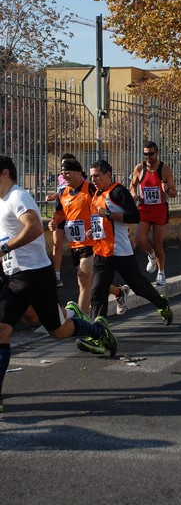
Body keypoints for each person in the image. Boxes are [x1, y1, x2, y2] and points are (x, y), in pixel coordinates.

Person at [0, 155, 118, 413]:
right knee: (6, 330)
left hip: (34, 275)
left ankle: (97, 331)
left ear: (5, 173)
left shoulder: (17, 197)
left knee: (58, 330)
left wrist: (5, 247)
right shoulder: (1, 201)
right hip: (12, 277)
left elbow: (33, 228)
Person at [77, 160, 172, 354]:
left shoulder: (118, 191)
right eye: (92, 176)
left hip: (121, 252)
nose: (93, 180)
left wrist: (110, 214)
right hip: (102, 253)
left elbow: (134, 216)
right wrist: (91, 231)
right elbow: (99, 220)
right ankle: (98, 336)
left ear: (108, 175)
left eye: (97, 176)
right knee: (98, 293)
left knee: (139, 286)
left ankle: (162, 304)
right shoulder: (96, 193)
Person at [48, 158, 129, 315]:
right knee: (90, 282)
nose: (64, 176)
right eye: (62, 173)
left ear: (78, 173)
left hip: (92, 242)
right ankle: (119, 292)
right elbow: (58, 215)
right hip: (75, 244)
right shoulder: (63, 194)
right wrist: (53, 223)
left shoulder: (91, 189)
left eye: (67, 173)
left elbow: (104, 207)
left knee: (83, 278)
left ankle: (82, 319)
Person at [130, 141, 177, 286]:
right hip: (144, 209)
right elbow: (133, 185)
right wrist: (134, 195)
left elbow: (174, 193)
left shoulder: (165, 170)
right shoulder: (140, 168)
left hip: (159, 210)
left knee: (158, 244)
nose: (148, 157)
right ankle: (151, 256)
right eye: (145, 154)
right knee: (139, 239)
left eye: (150, 154)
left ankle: (161, 271)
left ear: (157, 153)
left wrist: (167, 190)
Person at [46, 152, 77, 286]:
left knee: (76, 247)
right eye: (63, 164)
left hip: (73, 217)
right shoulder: (60, 178)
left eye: (68, 164)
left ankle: (82, 274)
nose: (65, 168)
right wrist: (53, 197)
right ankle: (56, 276)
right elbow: (61, 192)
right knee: (56, 245)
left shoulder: (81, 179)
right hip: (59, 215)